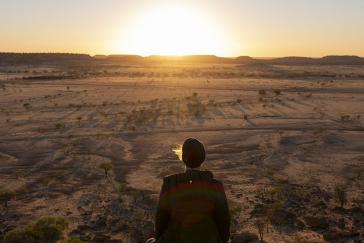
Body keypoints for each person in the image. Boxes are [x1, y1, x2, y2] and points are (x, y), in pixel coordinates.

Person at [153, 138, 230, 243]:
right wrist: (223, 239)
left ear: (183, 158)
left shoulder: (170, 184)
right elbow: (223, 219)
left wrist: (159, 239)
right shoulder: (215, 186)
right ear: (203, 158)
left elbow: (161, 218)